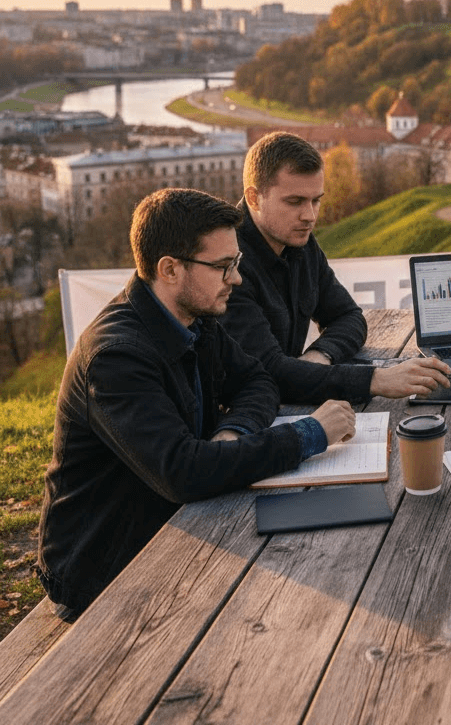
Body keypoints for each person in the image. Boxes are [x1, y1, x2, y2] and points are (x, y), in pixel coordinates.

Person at [36, 188, 356, 619]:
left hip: (181, 525)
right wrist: (310, 434)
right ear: (170, 269)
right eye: (223, 267)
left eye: (236, 263)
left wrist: (233, 432)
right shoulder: (115, 357)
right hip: (106, 571)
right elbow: (184, 473)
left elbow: (257, 380)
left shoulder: (193, 315)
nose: (236, 279)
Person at [221, 131, 450, 404]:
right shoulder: (226, 262)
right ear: (253, 197)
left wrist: (320, 355)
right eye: (294, 202)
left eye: (316, 200)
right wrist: (376, 380)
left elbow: (349, 317)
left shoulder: (300, 242)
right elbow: (267, 372)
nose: (310, 216)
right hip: (235, 415)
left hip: (284, 403)